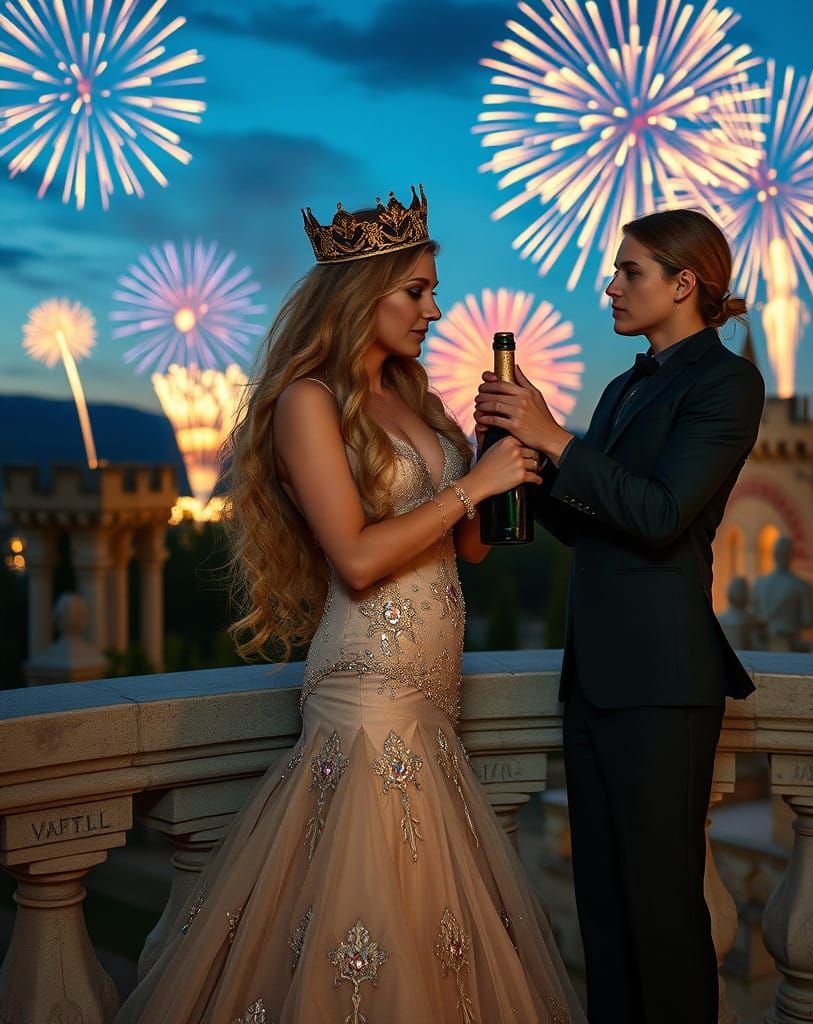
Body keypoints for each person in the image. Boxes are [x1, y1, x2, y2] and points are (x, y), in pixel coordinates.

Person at [115, 187, 584, 1023]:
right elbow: (359, 560)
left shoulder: (416, 400)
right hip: (366, 693)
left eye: (433, 291)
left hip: (432, 699)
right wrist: (472, 485)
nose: (435, 310)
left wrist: (507, 455)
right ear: (363, 294)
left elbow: (468, 549)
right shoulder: (309, 402)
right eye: (417, 291)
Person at [474, 208, 766, 1022]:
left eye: (630, 271)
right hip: (595, 679)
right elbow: (586, 525)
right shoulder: (623, 386)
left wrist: (556, 438)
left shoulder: (727, 383)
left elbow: (661, 514)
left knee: (662, 916)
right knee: (602, 914)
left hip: (664, 682)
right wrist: (517, 454)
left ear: (684, 283)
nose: (610, 286)